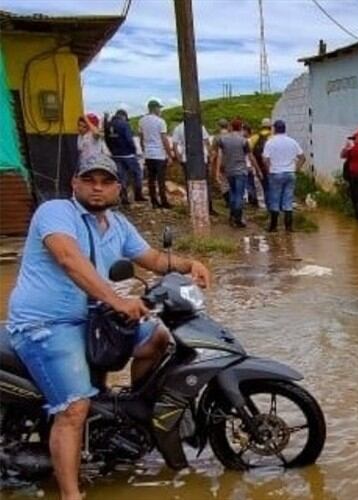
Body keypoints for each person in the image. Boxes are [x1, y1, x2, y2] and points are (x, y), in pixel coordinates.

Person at [5, 154, 211, 500]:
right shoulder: (55, 212)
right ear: (75, 183)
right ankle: (72, 494)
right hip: (46, 325)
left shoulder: (116, 224)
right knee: (73, 409)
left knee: (157, 338)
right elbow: (69, 259)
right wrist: (117, 302)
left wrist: (191, 264)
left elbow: (155, 261)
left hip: (93, 320)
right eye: (89, 180)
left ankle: (130, 412)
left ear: (118, 187)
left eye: (106, 181)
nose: (97, 187)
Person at [262, 120, 306, 232]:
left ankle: (273, 227)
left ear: (274, 129)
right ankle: (289, 228)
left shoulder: (270, 142)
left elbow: (265, 159)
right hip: (290, 173)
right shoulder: (292, 142)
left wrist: (269, 170)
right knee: (288, 200)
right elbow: (302, 158)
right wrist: (295, 169)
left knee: (275, 199)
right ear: (285, 128)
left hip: (275, 173)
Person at [214, 118, 257, 228]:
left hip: (229, 171)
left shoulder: (223, 140)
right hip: (241, 171)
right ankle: (238, 218)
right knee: (239, 195)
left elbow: (219, 156)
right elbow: (250, 156)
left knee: (232, 193)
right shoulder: (243, 140)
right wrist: (257, 169)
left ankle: (232, 216)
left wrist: (217, 171)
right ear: (241, 127)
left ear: (231, 127)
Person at [171, 120, 218, 215]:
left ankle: (193, 207)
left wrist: (178, 156)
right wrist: (209, 155)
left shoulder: (178, 128)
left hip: (186, 158)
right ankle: (209, 207)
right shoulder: (199, 125)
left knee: (190, 183)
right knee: (205, 182)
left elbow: (175, 144)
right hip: (201, 158)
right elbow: (206, 141)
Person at [138, 100, 175, 209]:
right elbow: (164, 139)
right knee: (161, 180)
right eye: (159, 108)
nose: (160, 110)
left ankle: (154, 201)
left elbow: (141, 139)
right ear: (155, 108)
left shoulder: (141, 121)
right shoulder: (160, 121)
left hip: (149, 154)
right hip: (159, 154)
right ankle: (164, 202)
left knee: (151, 179)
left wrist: (144, 150)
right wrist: (170, 154)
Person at [104, 109, 145, 205]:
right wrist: (134, 150)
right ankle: (138, 195)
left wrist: (112, 151)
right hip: (128, 155)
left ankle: (124, 198)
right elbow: (129, 139)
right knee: (137, 174)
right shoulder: (124, 124)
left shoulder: (108, 125)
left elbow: (106, 140)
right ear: (124, 116)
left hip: (115, 155)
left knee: (121, 177)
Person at [249, 118, 273, 207]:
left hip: (260, 167)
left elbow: (249, 153)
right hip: (273, 166)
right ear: (270, 127)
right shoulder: (273, 137)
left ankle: (269, 207)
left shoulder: (254, 138)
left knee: (265, 187)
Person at [242, 123, 259, 207]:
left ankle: (251, 199)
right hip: (249, 165)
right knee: (250, 183)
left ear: (246, 131)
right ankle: (253, 199)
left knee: (247, 184)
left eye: (243, 130)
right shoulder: (251, 140)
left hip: (247, 164)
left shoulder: (247, 141)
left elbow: (250, 154)